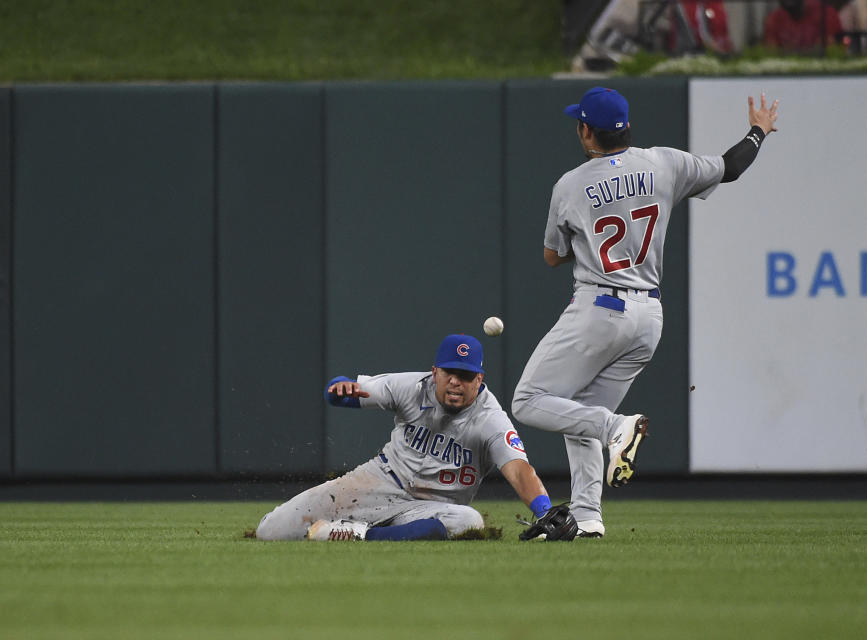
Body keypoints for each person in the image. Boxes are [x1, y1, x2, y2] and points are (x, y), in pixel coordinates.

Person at [511, 87, 779, 538]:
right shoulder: (665, 163)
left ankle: (617, 426)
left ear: (585, 130)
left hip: (599, 307)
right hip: (648, 317)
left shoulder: (571, 184)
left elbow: (552, 257)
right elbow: (731, 167)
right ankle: (588, 518)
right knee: (575, 412)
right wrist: (759, 131)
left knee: (530, 401)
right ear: (627, 127)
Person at [256, 334, 562, 542]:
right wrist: (339, 388)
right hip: (378, 482)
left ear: (479, 380)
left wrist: (545, 511)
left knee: (469, 522)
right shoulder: (411, 387)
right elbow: (341, 392)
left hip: (431, 508)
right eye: (449, 373)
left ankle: (355, 534)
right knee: (269, 531)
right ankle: (348, 528)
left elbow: (519, 470)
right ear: (435, 373)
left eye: (466, 375)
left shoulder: (491, 418)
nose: (456, 382)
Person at [764, 0, 844, 52]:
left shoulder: (824, 12)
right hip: (785, 72)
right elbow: (771, 50)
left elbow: (827, 48)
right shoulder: (775, 18)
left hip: (819, 73)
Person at [669, 0, 734, 55]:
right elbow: (698, 33)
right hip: (687, 51)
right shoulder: (684, 5)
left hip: (712, 48)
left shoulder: (710, 5)